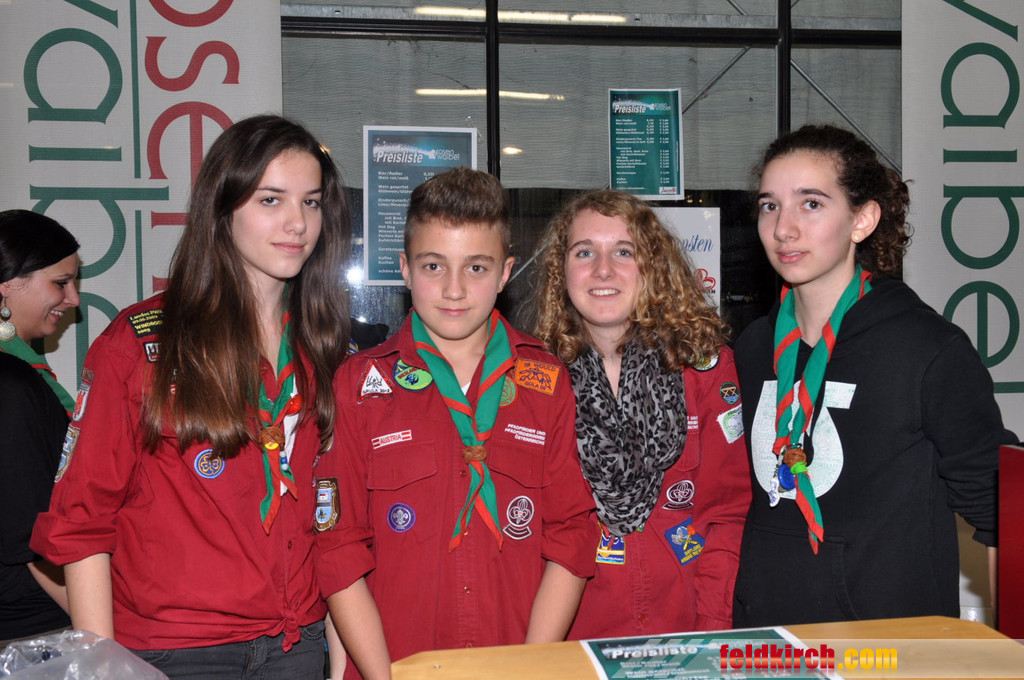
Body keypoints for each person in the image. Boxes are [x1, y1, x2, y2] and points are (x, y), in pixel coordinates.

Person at [31, 115, 351, 677]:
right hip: (174, 654)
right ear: (222, 209)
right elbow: (82, 523)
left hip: (295, 645)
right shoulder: (141, 344)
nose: (298, 223)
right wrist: (106, 667)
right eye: (271, 200)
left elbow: (334, 527)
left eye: (311, 202)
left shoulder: (324, 349)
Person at [317, 167, 596, 679]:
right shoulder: (359, 387)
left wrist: (529, 671)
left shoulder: (546, 382)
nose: (453, 289)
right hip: (394, 666)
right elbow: (337, 548)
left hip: (516, 667)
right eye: (433, 265)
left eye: (476, 268)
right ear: (404, 269)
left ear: (505, 273)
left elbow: (572, 536)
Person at [732, 124, 1017, 626]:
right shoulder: (754, 346)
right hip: (769, 641)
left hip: (889, 649)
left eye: (811, 203)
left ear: (862, 220)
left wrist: (1013, 649)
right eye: (770, 205)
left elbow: (1002, 511)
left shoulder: (927, 348)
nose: (783, 228)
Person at [531, 189, 751, 637]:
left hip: (687, 631)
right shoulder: (534, 381)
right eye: (584, 252)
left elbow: (728, 515)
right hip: (575, 639)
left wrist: (711, 626)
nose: (603, 269)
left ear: (652, 265)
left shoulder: (704, 369)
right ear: (561, 271)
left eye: (624, 251)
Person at [0, 210, 77, 641]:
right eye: (60, 283)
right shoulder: (11, 383)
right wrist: (104, 629)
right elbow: (29, 536)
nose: (73, 299)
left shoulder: (19, 373)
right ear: (6, 285)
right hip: (33, 634)